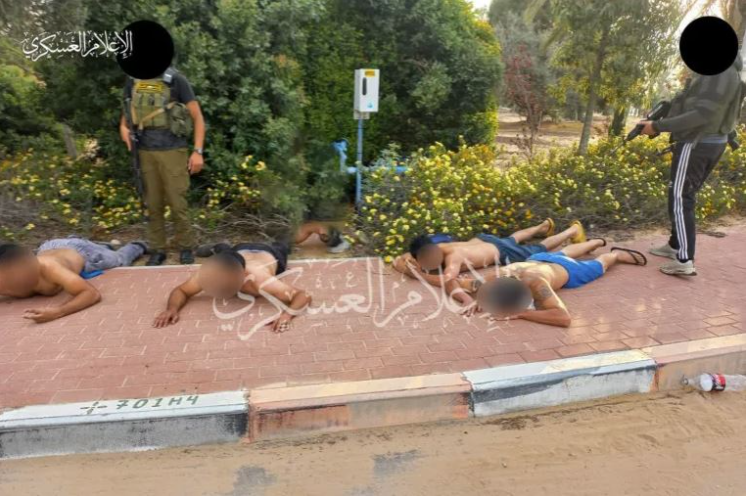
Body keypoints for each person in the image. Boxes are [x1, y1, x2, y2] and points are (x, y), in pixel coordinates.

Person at [638, 55, 743, 276]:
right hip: (708, 142)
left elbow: (702, 115)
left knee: (681, 198)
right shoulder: (725, 72)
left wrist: (657, 126)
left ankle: (684, 259)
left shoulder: (721, 73)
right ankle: (675, 245)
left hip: (697, 143)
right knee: (679, 194)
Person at [446, 240, 647, 327]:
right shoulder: (495, 278)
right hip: (538, 259)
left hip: (570, 270)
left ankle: (614, 254)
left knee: (600, 263)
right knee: (563, 252)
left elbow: (563, 318)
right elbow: (450, 281)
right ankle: (595, 242)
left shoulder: (536, 284)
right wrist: (467, 299)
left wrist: (522, 314)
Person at [120, 66, 206, 266]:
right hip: (145, 150)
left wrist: (198, 151)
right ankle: (158, 249)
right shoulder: (133, 80)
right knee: (153, 203)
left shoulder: (175, 79)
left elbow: (198, 117)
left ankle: (186, 247)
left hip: (173, 150)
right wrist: (124, 131)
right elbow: (126, 117)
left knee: (178, 203)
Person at [152, 242, 311, 332]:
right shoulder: (210, 274)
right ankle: (218, 247)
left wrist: (286, 316)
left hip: (269, 252)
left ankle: (283, 243)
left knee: (282, 247)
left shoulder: (259, 280)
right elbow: (181, 290)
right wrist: (171, 309)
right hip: (239, 250)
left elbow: (303, 295)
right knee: (226, 251)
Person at [392, 219, 587, 287]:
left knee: (540, 249)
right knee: (512, 238)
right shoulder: (434, 248)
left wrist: (418, 275)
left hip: (501, 252)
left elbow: (448, 279)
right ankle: (543, 226)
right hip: (484, 241)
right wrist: (408, 267)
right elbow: (398, 259)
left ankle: (572, 230)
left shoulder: (453, 257)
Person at [0, 239, 146, 323]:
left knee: (119, 259)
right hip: (50, 248)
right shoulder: (5, 279)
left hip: (81, 252)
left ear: (31, 264)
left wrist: (58, 311)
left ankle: (138, 245)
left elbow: (91, 293)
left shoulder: (51, 269)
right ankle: (103, 246)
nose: (17, 283)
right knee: (102, 249)